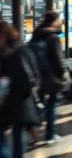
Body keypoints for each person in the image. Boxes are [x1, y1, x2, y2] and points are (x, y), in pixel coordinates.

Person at [0, 22, 40, 158]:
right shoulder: (21, 49)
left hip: (9, 100)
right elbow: (34, 75)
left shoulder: (11, 51)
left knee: (8, 138)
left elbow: (30, 77)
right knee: (17, 134)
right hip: (18, 99)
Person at [31, 11, 69, 145]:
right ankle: (50, 134)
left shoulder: (36, 35)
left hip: (38, 75)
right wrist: (63, 74)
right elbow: (58, 58)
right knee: (52, 105)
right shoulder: (53, 37)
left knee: (38, 104)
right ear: (54, 21)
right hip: (51, 76)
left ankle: (35, 133)